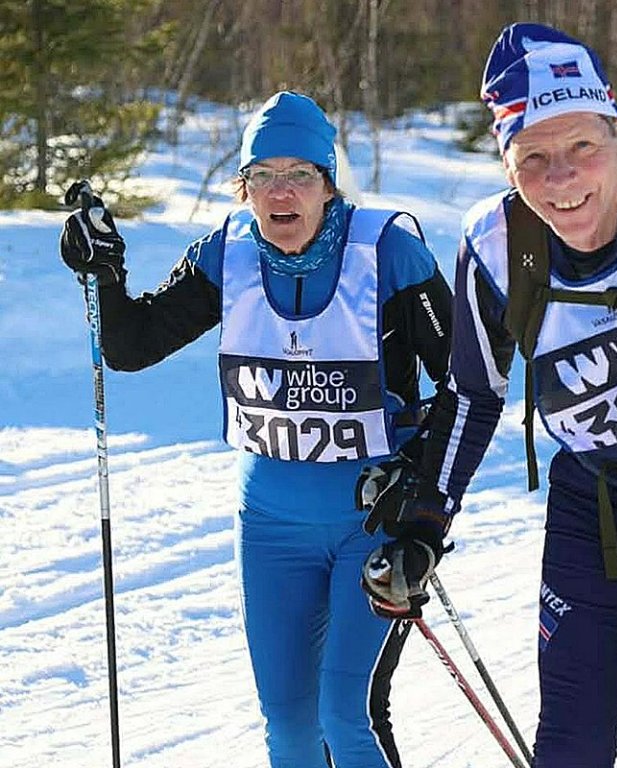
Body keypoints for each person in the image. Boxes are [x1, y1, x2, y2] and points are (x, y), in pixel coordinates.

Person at [358, 23, 617, 768]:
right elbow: (473, 392)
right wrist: (424, 522)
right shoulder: (494, 243)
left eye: (581, 145)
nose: (562, 178)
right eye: (533, 157)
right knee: (570, 743)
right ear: (505, 162)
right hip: (598, 512)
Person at [59, 90, 452, 768]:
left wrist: (421, 490)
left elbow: (467, 384)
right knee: (289, 725)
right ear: (244, 188)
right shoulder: (228, 254)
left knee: (346, 715)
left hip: (371, 518)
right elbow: (131, 347)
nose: (280, 192)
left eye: (299, 174)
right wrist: (104, 273)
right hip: (269, 522)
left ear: (328, 184)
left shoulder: (389, 252)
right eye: (262, 176)